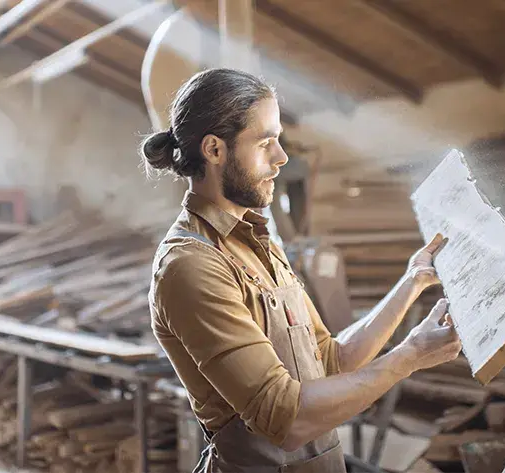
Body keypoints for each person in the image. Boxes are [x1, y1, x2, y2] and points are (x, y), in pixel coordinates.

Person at [140, 68, 462, 473]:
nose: (281, 158)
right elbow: (286, 419)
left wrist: (412, 281)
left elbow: (332, 359)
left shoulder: (259, 242)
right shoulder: (191, 264)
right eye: (266, 143)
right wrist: (409, 357)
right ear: (214, 150)